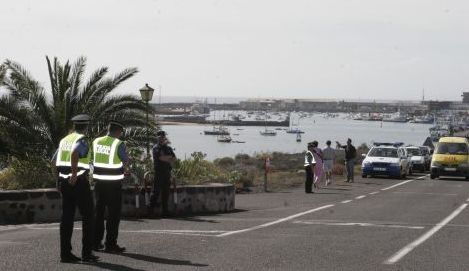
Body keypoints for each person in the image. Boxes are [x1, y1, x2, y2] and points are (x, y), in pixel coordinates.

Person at [52, 114, 99, 263]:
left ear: (74, 126)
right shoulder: (82, 139)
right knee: (89, 216)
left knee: (67, 217)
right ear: (86, 126)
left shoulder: (64, 140)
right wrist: (73, 174)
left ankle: (65, 254)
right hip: (78, 181)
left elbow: (53, 161)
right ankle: (87, 253)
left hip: (64, 183)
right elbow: (75, 153)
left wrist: (57, 179)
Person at [92, 121, 129, 253]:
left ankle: (95, 243)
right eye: (120, 132)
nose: (120, 135)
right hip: (113, 184)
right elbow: (125, 160)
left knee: (98, 214)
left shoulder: (96, 141)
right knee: (113, 216)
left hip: (99, 183)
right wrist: (124, 168)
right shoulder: (118, 143)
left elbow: (93, 158)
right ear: (117, 131)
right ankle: (110, 244)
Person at [152, 130, 176, 217]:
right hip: (159, 173)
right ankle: (151, 212)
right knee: (156, 192)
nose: (161, 138)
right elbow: (161, 158)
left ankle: (165, 212)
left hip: (167, 172)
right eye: (160, 137)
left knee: (166, 193)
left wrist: (167, 158)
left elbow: (174, 158)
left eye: (163, 137)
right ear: (157, 138)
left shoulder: (168, 148)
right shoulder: (156, 148)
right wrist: (168, 158)